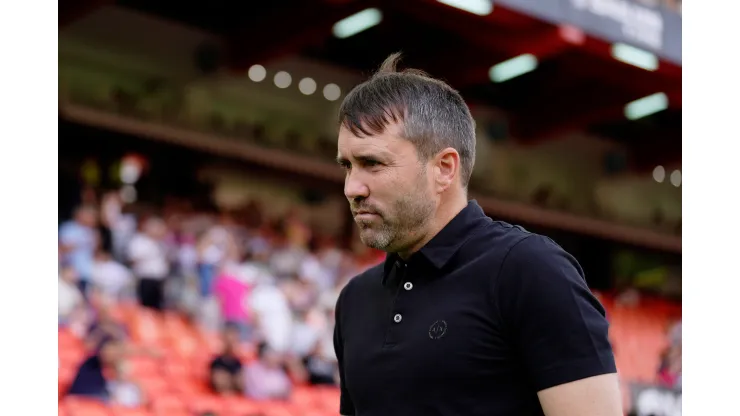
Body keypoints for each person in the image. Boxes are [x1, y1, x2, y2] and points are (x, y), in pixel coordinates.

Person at [332, 53, 622, 416]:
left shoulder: (530, 271)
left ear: (444, 168)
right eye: (347, 165)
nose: (352, 187)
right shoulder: (355, 300)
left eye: (372, 163)